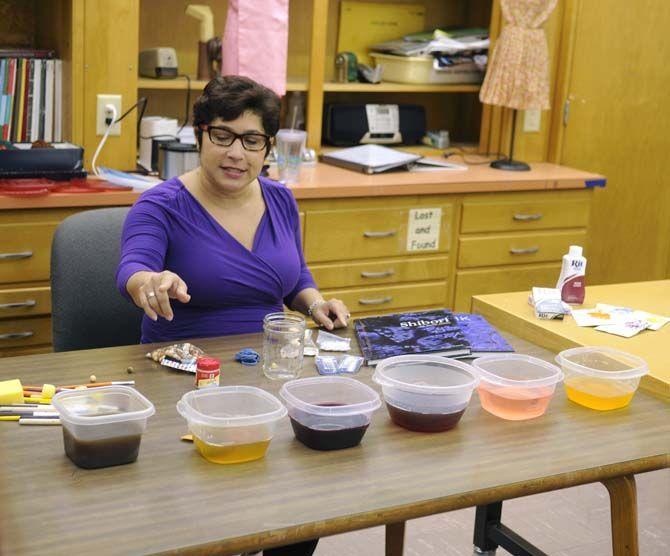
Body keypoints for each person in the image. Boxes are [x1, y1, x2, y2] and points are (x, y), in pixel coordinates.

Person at [116, 75, 350, 556]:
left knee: (306, 485)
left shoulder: (281, 199)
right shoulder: (160, 204)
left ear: (267, 147)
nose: (235, 154)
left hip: (270, 370)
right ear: (199, 134)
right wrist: (150, 283)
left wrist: (314, 302)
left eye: (251, 140)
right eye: (221, 136)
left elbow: (293, 274)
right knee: (210, 507)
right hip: (188, 380)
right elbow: (133, 268)